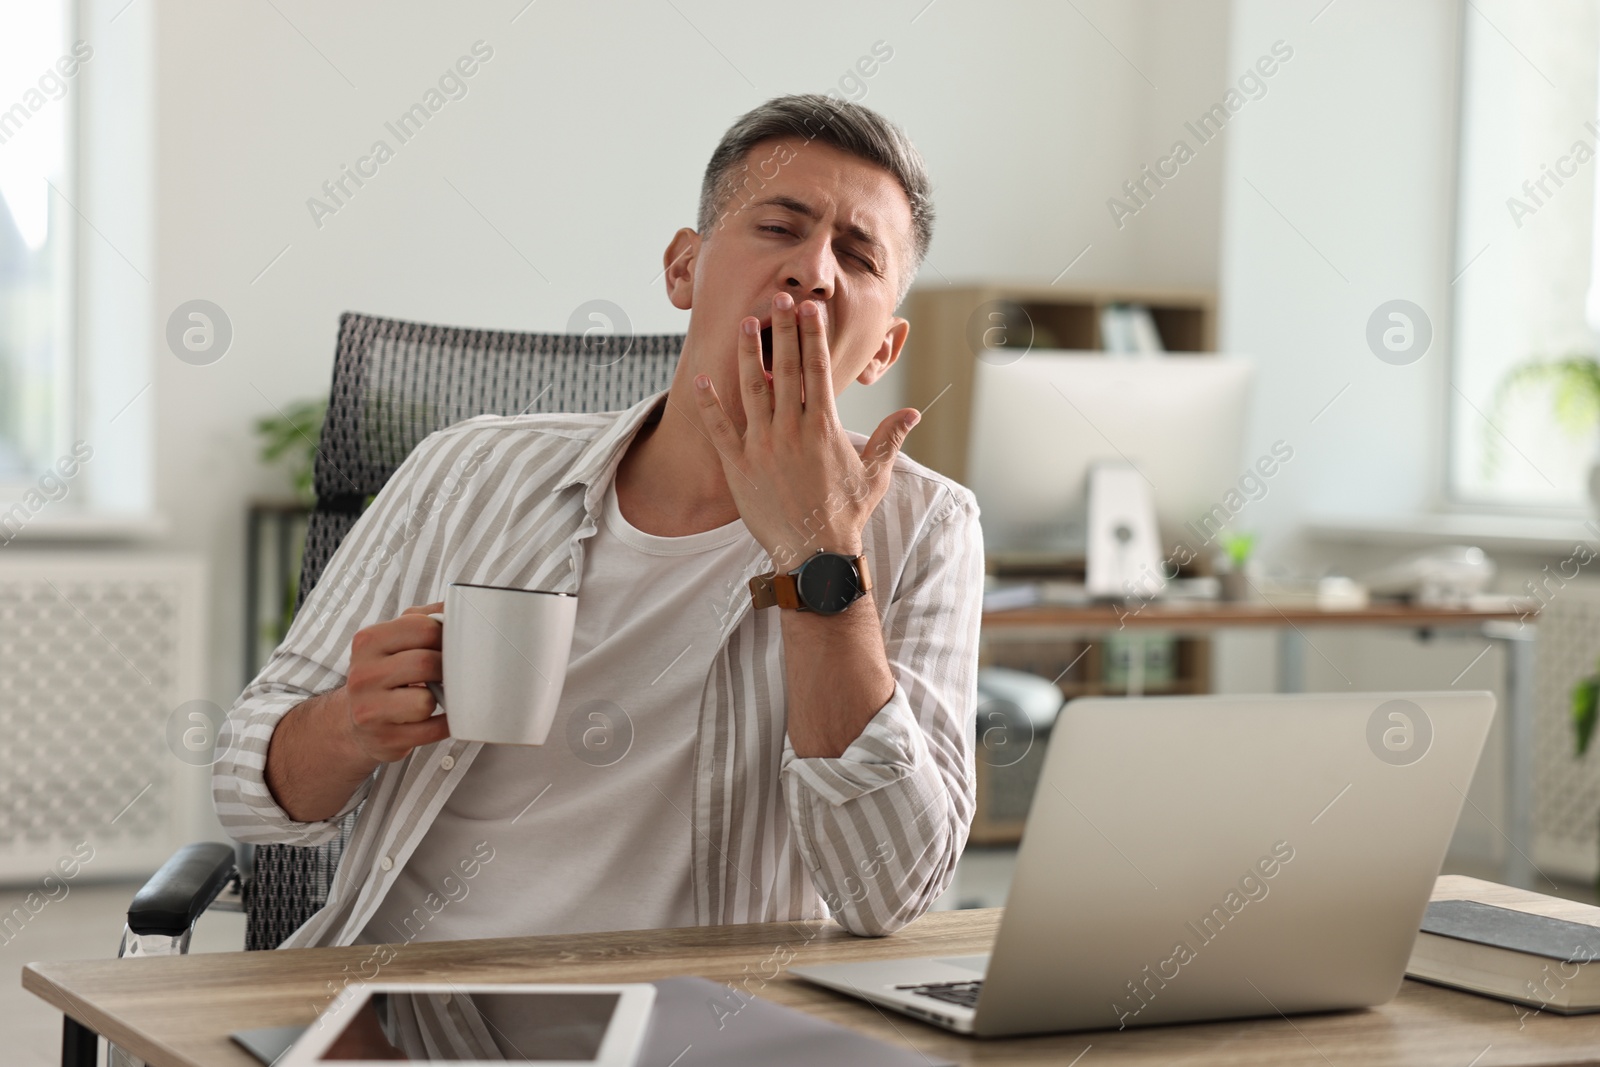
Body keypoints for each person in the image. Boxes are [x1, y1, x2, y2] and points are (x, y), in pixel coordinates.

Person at [213, 93, 984, 952]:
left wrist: (821, 554)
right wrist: (348, 725)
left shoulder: (927, 527)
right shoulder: (467, 468)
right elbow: (248, 784)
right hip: (410, 1013)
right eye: (778, 227)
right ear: (682, 270)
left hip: (700, 1032)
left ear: (883, 349)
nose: (814, 271)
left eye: (857, 255)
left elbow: (889, 889)